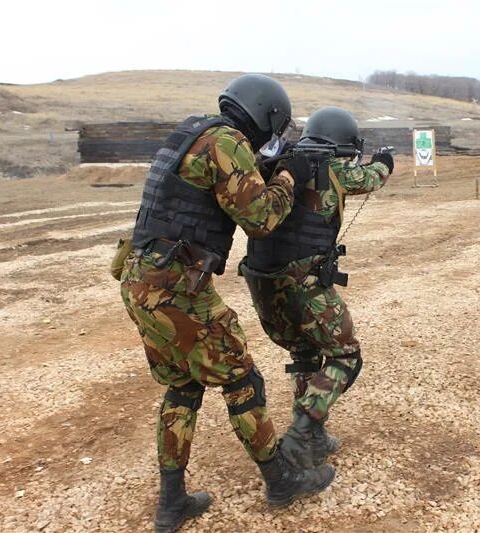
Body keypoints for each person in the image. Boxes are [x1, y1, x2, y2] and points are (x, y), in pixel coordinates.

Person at [119, 74, 333, 533]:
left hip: (141, 279)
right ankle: (281, 480)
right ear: (267, 116)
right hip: (176, 288)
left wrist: (266, 168)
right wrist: (290, 175)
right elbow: (261, 218)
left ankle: (172, 502)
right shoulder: (227, 142)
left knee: (183, 386)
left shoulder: (193, 132)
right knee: (241, 379)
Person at [240, 106, 394, 469]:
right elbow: (372, 177)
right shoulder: (334, 168)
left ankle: (315, 436)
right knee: (346, 357)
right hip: (302, 285)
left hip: (262, 286)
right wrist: (385, 161)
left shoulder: (276, 166)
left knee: (306, 356)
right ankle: (299, 437)